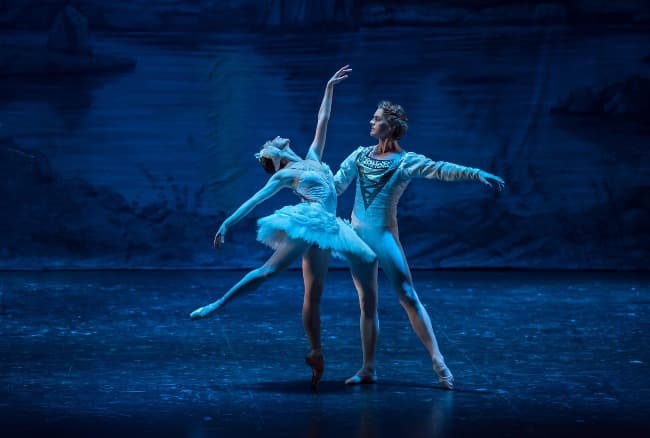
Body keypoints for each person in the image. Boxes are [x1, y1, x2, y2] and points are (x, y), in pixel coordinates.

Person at [190, 66, 377, 389]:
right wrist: (226, 223)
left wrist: (328, 87)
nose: (273, 139)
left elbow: (323, 120)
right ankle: (217, 304)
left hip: (327, 228)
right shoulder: (283, 175)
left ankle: (316, 354)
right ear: (274, 158)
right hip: (310, 221)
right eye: (269, 144)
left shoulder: (313, 157)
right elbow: (254, 201)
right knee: (268, 272)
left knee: (313, 295)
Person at [334, 100, 505, 390]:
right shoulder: (359, 156)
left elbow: (439, 169)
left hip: (383, 236)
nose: (371, 122)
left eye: (376, 119)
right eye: (372, 118)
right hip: (357, 236)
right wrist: (303, 179)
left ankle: (438, 361)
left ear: (391, 125)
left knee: (408, 296)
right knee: (367, 303)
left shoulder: (405, 161)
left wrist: (475, 172)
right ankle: (368, 368)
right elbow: (335, 185)